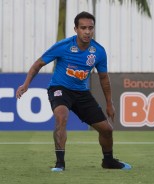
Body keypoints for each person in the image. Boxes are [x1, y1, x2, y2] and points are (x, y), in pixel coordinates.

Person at [16, 11, 131, 172]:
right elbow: (38, 64)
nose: (87, 31)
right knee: (61, 117)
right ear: (75, 29)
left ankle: (108, 161)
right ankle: (60, 163)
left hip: (81, 93)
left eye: (90, 28)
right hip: (59, 88)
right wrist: (26, 84)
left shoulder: (98, 51)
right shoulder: (63, 46)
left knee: (107, 130)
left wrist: (109, 103)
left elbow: (104, 78)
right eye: (83, 28)